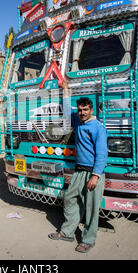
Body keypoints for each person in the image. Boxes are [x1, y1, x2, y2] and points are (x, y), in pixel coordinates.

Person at [48, 80, 108, 253]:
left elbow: (102, 154)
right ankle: (67, 232)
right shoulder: (79, 123)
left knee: (90, 208)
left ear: (92, 110)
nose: (81, 113)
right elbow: (66, 111)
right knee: (70, 199)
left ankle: (88, 240)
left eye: (85, 110)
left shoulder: (98, 127)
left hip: (93, 173)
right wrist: (66, 91)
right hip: (79, 171)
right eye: (80, 110)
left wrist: (95, 176)